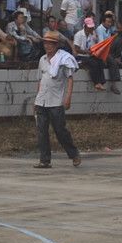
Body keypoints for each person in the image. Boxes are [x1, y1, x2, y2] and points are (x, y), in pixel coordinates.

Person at [32, 30, 82, 168]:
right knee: (42, 132)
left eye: (51, 44)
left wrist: (68, 97)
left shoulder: (63, 59)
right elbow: (40, 80)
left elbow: (70, 79)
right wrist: (36, 99)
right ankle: (44, 160)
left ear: (56, 45)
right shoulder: (42, 60)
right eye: (46, 43)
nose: (47, 46)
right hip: (42, 100)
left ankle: (74, 154)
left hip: (56, 101)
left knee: (60, 130)